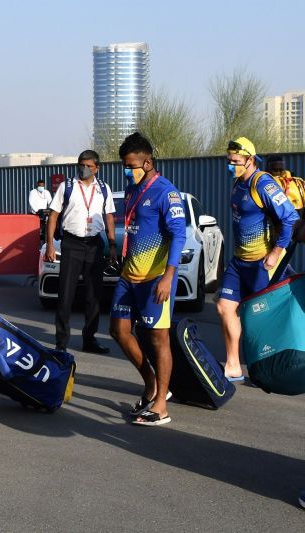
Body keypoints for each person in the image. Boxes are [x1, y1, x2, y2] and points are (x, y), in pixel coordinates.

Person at [109, 132, 186, 427]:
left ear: (148, 162)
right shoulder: (132, 190)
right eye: (124, 166)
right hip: (128, 277)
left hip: (155, 279)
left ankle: (161, 406)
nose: (127, 171)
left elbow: (179, 234)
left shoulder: (166, 192)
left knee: (158, 338)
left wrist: (169, 276)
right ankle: (151, 382)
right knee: (118, 330)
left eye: (132, 165)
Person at [215, 138, 298, 381]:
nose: (231, 166)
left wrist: (275, 253)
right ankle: (233, 365)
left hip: (262, 262)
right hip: (240, 261)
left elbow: (290, 218)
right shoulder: (237, 184)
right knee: (223, 306)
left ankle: (268, 368)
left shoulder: (263, 183)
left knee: (260, 317)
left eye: (236, 162)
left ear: (250, 160)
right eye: (229, 161)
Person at [44, 150, 116, 353]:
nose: (84, 169)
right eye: (81, 165)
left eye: (88, 166)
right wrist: (50, 244)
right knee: (66, 294)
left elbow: (109, 216)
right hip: (71, 244)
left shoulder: (103, 188)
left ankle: (90, 339)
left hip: (95, 245)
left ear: (97, 168)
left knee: (93, 296)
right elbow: (53, 216)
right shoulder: (66, 187)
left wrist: (111, 244)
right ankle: (61, 342)